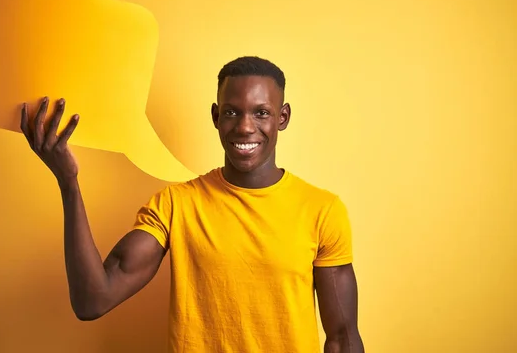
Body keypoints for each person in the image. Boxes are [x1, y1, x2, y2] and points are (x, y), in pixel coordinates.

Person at [20, 56, 364, 353]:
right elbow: (92, 300)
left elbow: (342, 337)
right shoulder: (176, 205)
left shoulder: (322, 210)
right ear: (216, 116)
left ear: (283, 118)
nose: (245, 127)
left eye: (261, 113)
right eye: (232, 112)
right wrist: (68, 182)